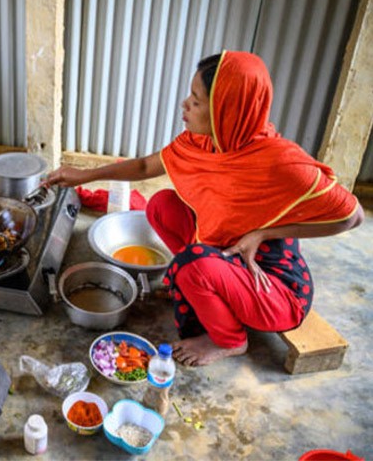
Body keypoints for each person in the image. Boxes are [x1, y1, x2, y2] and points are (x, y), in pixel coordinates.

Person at [45, 51, 364, 367]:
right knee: (161, 206)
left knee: (192, 264)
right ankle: (205, 286)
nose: (185, 105)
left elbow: (352, 216)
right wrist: (82, 175)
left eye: (196, 102)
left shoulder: (280, 162)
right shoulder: (205, 142)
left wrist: (264, 232)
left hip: (275, 288)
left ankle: (229, 340)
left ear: (227, 110)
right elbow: (144, 167)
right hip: (229, 255)